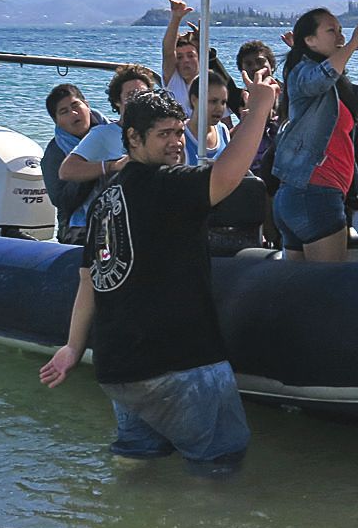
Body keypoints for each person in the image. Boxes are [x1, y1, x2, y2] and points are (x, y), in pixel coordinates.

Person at [38, 78, 279, 474]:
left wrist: (72, 348)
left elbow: (90, 279)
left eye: (180, 131)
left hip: (121, 370)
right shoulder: (167, 185)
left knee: (138, 466)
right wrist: (261, 107)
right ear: (132, 138)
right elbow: (230, 173)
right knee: (218, 466)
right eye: (164, 134)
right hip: (181, 363)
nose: (176, 142)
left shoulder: (106, 198)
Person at [272, 8, 358, 262]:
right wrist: (353, 45)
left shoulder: (336, 85)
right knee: (324, 289)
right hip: (314, 193)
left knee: (299, 291)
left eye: (341, 31)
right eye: (331, 30)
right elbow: (319, 78)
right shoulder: (301, 73)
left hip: (305, 195)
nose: (340, 36)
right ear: (309, 40)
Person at [55, 63, 161, 238]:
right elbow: (67, 171)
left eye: (143, 94)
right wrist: (111, 166)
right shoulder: (103, 134)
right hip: (99, 226)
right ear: (118, 101)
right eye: (131, 95)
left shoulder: (156, 135)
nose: (138, 99)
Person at [40, 83, 106, 243]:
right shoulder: (54, 153)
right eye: (64, 112)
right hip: (77, 226)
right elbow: (62, 202)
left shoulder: (114, 133)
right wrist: (89, 168)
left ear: (87, 105)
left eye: (76, 105)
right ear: (56, 121)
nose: (73, 113)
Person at [182, 70, 231, 166]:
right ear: (194, 100)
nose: (219, 108)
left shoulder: (223, 131)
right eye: (213, 101)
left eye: (223, 102)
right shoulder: (180, 135)